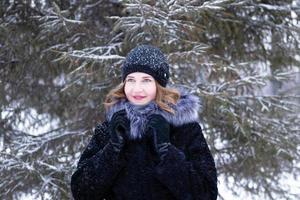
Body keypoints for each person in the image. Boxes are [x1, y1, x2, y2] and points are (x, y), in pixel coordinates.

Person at [71, 45, 218, 200]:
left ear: (159, 85)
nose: (137, 89)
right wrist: (112, 151)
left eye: (146, 80)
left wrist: (166, 152)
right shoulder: (111, 128)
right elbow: (82, 192)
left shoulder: (185, 129)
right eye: (131, 80)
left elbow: (206, 194)